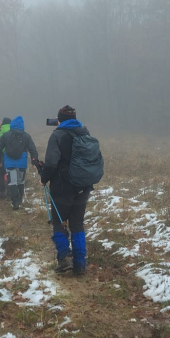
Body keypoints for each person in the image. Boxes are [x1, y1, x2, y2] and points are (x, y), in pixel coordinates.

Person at [39, 105, 100, 276]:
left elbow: (51, 162)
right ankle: (80, 265)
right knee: (77, 224)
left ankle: (64, 257)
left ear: (59, 119)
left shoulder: (57, 135)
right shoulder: (84, 132)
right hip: (82, 187)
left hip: (62, 188)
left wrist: (44, 178)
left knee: (58, 222)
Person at [0, 116, 39, 210]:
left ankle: (15, 201)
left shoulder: (6, 135)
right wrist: (34, 161)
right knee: (20, 181)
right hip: (22, 162)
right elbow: (33, 149)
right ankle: (19, 199)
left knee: (12, 182)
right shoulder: (26, 135)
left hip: (9, 161)